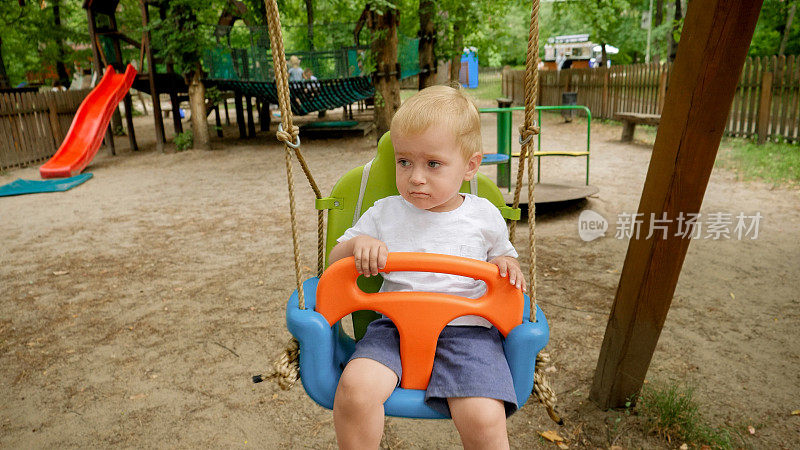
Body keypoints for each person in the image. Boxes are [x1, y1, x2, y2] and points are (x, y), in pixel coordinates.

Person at [329, 85, 526, 449]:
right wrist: (358, 245)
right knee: (355, 391)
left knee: (484, 417)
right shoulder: (384, 212)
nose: (416, 177)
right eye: (404, 162)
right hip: (393, 329)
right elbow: (335, 260)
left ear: (470, 165)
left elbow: (505, 257)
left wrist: (506, 264)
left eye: (433, 164)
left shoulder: (483, 215)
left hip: (468, 333)